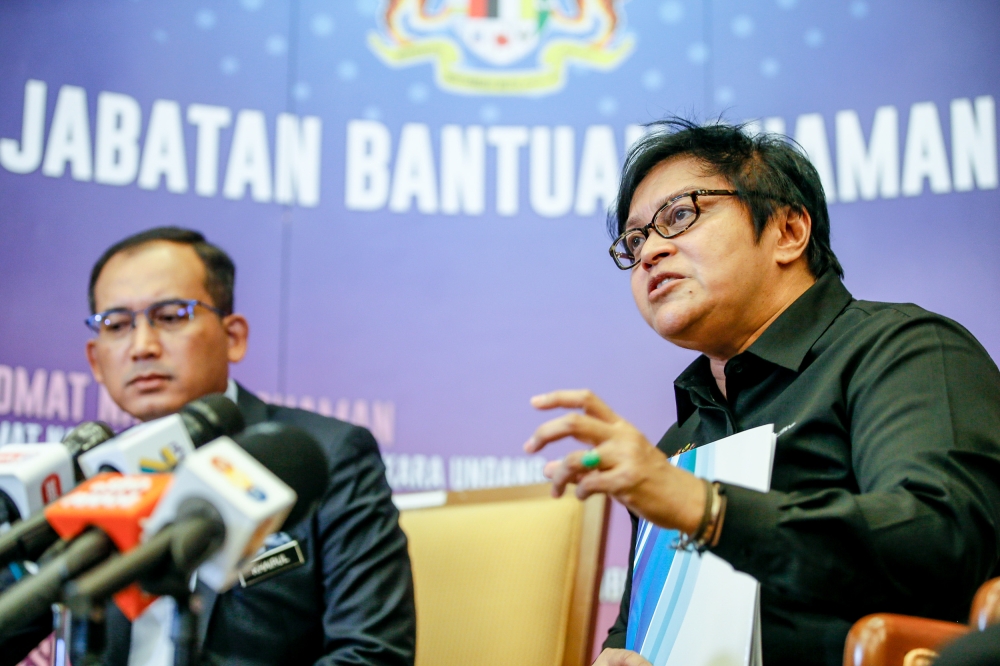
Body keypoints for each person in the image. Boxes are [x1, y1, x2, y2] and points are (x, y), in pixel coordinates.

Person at [524, 119, 1000, 666]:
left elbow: (946, 544)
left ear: (788, 231)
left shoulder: (901, 351)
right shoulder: (678, 442)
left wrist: (707, 509)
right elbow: (637, 630)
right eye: (635, 240)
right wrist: (619, 654)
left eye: (679, 216)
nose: (650, 250)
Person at [82, 227, 415, 666]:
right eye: (117, 325)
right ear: (95, 360)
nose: (142, 346)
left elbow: (372, 653)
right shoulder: (91, 477)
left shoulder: (323, 456)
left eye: (171, 316)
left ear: (234, 336)